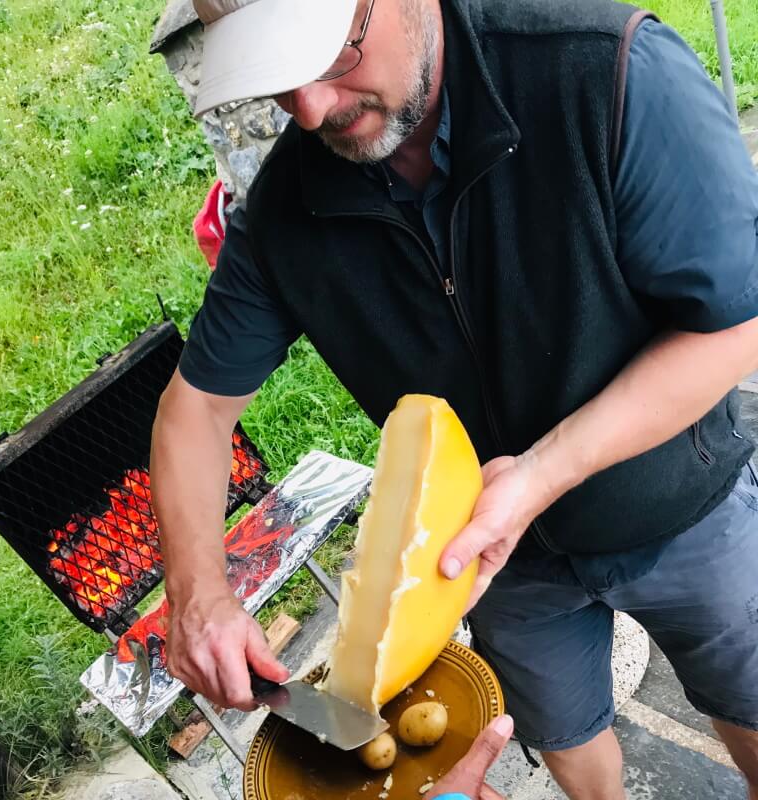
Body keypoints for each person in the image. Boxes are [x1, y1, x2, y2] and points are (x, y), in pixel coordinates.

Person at [150, 0, 758, 797]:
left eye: (334, 53)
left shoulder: (604, 70)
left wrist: (541, 475)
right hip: (486, 564)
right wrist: (197, 592)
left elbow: (735, 324)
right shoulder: (282, 213)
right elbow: (194, 409)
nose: (310, 108)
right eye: (273, 79)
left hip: (680, 502)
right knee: (574, 749)